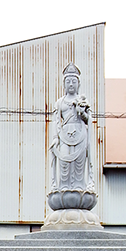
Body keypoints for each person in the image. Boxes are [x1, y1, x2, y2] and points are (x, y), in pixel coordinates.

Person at [50, 62, 94, 192]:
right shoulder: (60, 102)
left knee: (78, 165)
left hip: (80, 135)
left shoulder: (83, 101)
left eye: (73, 81)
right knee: (65, 164)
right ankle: (63, 187)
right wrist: (55, 138)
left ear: (78, 84)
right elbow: (56, 121)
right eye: (68, 81)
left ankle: (79, 187)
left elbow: (88, 120)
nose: (70, 84)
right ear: (64, 84)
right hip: (64, 135)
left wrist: (82, 112)